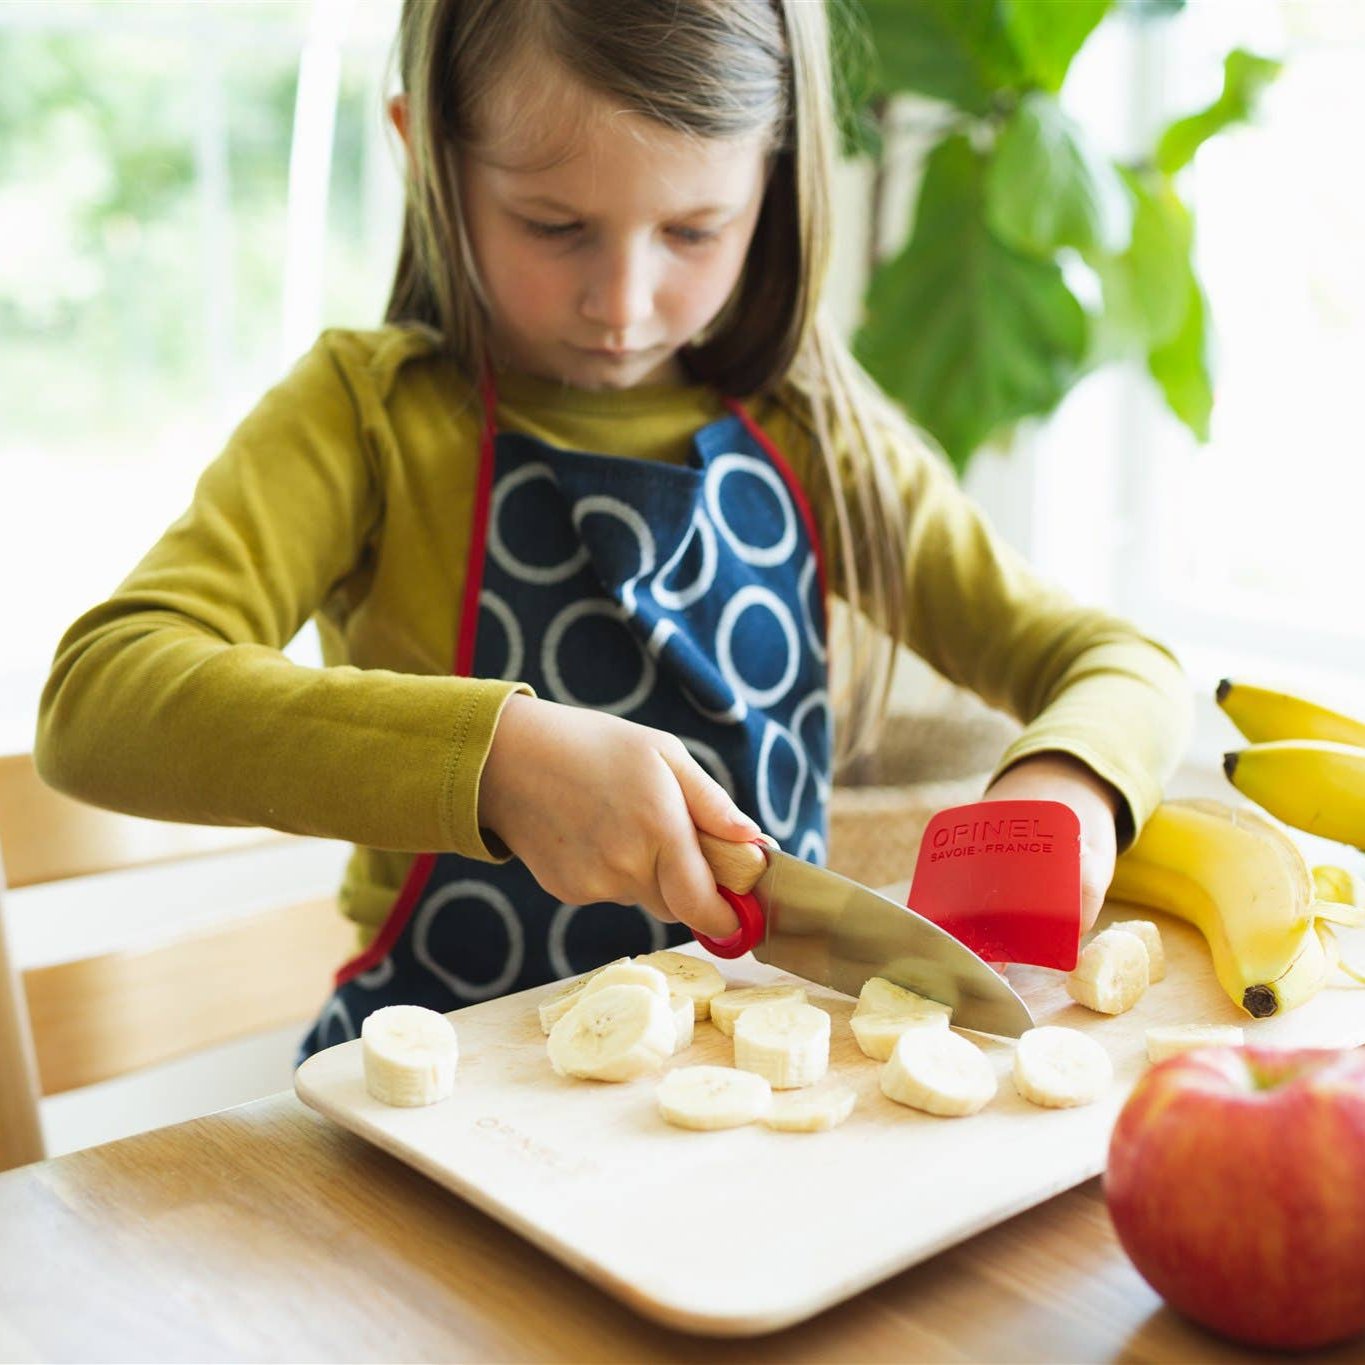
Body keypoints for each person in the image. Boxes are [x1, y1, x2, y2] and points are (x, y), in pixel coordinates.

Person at [35, 0, 1190, 1059]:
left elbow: (1115, 660)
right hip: (431, 1115)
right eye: (554, 224)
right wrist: (494, 761)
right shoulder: (365, 419)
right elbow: (100, 699)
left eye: (694, 230)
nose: (624, 301)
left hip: (759, 1095)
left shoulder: (817, 430)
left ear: (773, 183)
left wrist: (1068, 790)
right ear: (422, 149)